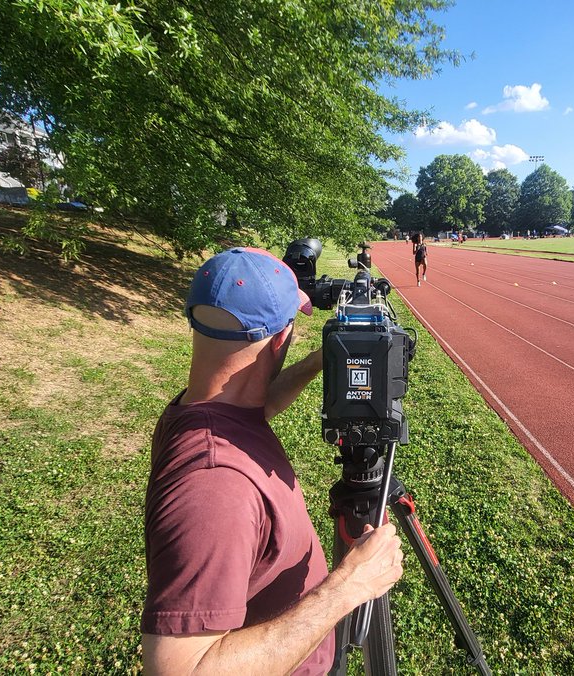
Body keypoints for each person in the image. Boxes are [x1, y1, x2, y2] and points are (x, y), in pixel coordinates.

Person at [142, 247, 404, 675]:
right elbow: (179, 670)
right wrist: (349, 586)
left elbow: (254, 403)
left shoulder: (199, 412)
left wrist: (323, 360)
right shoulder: (215, 487)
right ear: (280, 338)